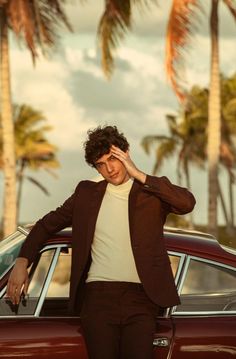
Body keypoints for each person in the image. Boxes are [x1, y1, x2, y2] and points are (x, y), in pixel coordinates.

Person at [7, 125, 196, 359]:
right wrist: (22, 260)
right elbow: (47, 224)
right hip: (98, 298)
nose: (109, 169)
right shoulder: (87, 193)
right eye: (100, 164)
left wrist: (138, 174)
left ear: (125, 152)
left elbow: (186, 203)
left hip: (141, 298)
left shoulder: (150, 193)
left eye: (112, 159)